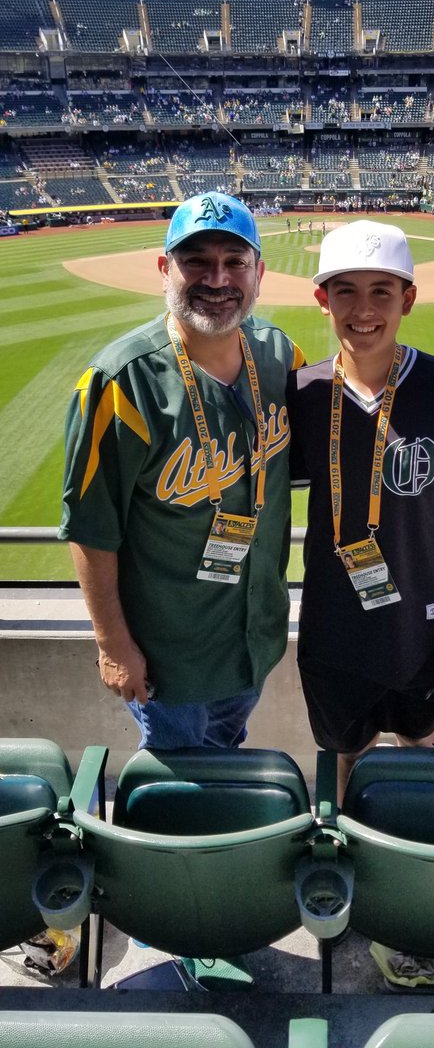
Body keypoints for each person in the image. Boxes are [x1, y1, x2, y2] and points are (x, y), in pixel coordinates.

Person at [59, 191, 305, 750]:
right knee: (180, 783)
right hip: (169, 657)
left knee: (228, 749)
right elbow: (91, 527)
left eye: (235, 261)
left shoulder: (280, 355)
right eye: (196, 260)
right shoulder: (120, 382)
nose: (217, 279)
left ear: (259, 273)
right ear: (164, 268)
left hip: (254, 637)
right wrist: (112, 645)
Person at [286, 221, 434, 801]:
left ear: (408, 300)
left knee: (420, 744)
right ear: (322, 299)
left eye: (382, 292)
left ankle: (415, 837)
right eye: (345, 291)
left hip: (426, 622)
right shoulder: (303, 394)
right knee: (347, 754)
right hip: (334, 624)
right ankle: (352, 844)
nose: (363, 310)